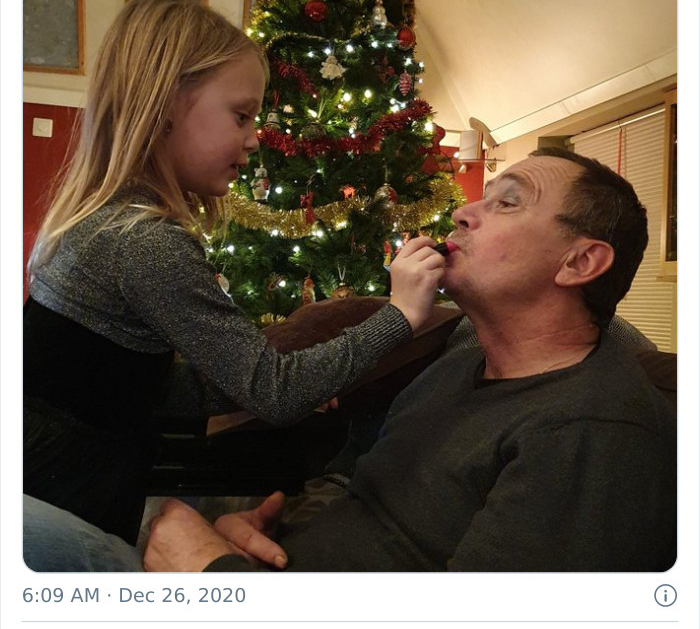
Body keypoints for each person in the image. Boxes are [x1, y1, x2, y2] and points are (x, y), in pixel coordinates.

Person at [24, 148, 676, 572]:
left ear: (580, 262)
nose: (462, 211)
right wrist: (259, 528)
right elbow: (352, 482)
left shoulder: (591, 433)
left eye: (508, 201)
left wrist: (214, 577)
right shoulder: (460, 357)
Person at [24, 0, 444, 545]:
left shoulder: (103, 218)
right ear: (165, 104)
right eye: (241, 115)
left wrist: (298, 376)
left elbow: (123, 383)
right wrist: (401, 314)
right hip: (64, 493)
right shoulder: (147, 243)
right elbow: (276, 393)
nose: (254, 138)